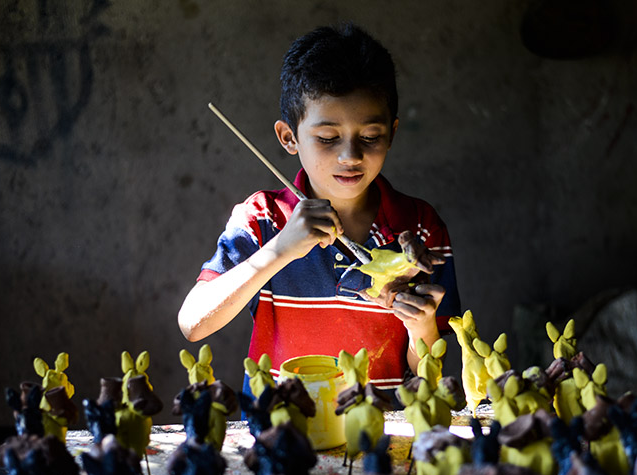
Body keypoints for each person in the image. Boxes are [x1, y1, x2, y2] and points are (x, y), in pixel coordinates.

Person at [178, 23, 460, 390]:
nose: (350, 156)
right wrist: (280, 250)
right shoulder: (263, 219)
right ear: (289, 138)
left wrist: (420, 324)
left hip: (380, 435)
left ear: (391, 132)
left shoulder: (421, 228)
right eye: (328, 138)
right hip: (281, 431)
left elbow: (430, 377)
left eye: (371, 137)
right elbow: (193, 323)